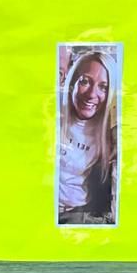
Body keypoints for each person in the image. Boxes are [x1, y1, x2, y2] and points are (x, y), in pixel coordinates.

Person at [57, 48, 117, 225]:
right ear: (72, 82)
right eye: (85, 81)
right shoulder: (53, 110)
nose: (91, 94)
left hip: (78, 214)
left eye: (103, 87)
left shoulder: (109, 132)